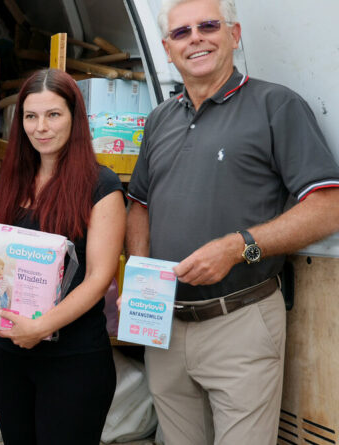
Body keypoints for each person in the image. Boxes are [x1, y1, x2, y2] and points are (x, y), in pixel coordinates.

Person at [124, 0, 339, 443]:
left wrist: (236, 247)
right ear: (166, 49)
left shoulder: (275, 104)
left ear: (235, 35)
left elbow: (328, 205)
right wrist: (139, 276)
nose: (196, 38)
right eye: (182, 33)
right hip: (164, 325)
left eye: (208, 26)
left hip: (239, 321)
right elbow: (140, 205)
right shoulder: (160, 118)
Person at [0, 68, 126, 444]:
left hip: (74, 360)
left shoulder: (102, 186)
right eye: (31, 116)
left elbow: (100, 278)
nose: (41, 127)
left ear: (74, 118)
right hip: (9, 354)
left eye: (53, 115)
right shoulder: (9, 182)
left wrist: (42, 326)